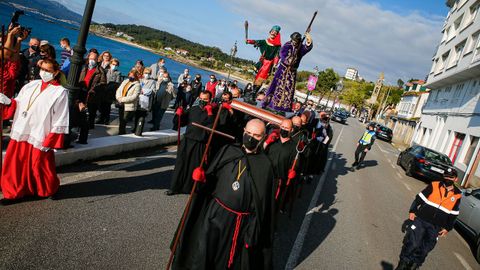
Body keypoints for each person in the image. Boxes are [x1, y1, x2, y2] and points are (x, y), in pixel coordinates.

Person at [171, 118, 275, 270]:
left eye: (257, 135)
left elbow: (263, 206)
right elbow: (209, 181)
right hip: (214, 213)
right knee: (203, 252)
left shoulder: (265, 166)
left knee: (226, 261)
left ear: (263, 137)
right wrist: (201, 178)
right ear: (243, 131)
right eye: (248, 133)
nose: (251, 137)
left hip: (239, 223)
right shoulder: (228, 151)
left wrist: (253, 230)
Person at [0, 59, 69, 201]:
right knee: (15, 163)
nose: (44, 73)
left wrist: (51, 139)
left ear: (56, 72)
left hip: (40, 133)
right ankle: (13, 192)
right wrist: (8, 101)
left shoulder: (60, 92)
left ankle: (48, 188)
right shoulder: (31, 85)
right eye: (42, 69)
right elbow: (19, 103)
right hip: (22, 129)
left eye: (48, 70)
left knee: (40, 165)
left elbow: (60, 117)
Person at [395, 170, 461, 270]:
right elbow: (419, 198)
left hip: (436, 226)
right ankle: (402, 264)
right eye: (446, 177)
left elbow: (454, 213)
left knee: (425, 250)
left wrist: (448, 228)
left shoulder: (457, 195)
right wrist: (412, 210)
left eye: (450, 177)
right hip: (421, 220)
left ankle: (414, 266)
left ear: (456, 179)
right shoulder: (434, 185)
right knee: (413, 244)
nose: (447, 179)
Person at [166, 91, 214, 195]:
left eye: (205, 99)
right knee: (180, 164)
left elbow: (212, 129)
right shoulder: (193, 109)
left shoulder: (212, 112)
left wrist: (210, 114)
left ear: (210, 99)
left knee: (195, 166)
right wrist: (179, 114)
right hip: (187, 140)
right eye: (201, 98)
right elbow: (182, 122)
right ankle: (174, 187)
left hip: (200, 143)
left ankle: (191, 189)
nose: (203, 101)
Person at [263, 32, 313, 112]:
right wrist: (288, 61)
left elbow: (307, 48)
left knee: (288, 90)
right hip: (282, 70)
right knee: (277, 87)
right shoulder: (287, 45)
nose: (294, 42)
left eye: (296, 41)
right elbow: (282, 54)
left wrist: (308, 38)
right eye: (293, 40)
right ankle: (270, 104)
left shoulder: (300, 47)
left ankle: (283, 108)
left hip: (291, 73)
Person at [264, 119, 297, 210]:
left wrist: (293, 172)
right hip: (265, 176)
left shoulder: (294, 148)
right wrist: (266, 142)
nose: (284, 129)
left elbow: (295, 165)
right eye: (282, 127)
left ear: (291, 130)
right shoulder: (273, 140)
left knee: (271, 205)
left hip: (278, 181)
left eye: (286, 128)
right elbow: (260, 154)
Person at [246, 25, 282, 93]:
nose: (273, 33)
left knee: (261, 80)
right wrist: (248, 41)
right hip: (261, 62)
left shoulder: (278, 46)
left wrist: (275, 64)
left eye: (275, 33)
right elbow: (256, 41)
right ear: (270, 32)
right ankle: (252, 91)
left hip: (268, 64)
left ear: (277, 35)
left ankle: (254, 92)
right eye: (272, 32)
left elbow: (277, 55)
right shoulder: (264, 41)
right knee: (255, 77)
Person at [79, 50, 107, 130]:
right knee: (80, 109)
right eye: (91, 58)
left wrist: (95, 89)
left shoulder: (100, 71)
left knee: (92, 112)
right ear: (88, 57)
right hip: (82, 91)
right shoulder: (84, 67)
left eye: (94, 59)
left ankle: (88, 127)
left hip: (93, 95)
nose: (92, 61)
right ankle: (80, 124)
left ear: (97, 59)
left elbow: (103, 83)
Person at [115, 69, 141, 135]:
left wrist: (122, 99)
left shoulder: (137, 85)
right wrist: (118, 97)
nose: (130, 77)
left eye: (132, 76)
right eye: (130, 75)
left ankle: (121, 133)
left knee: (124, 120)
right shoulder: (125, 81)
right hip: (121, 103)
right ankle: (121, 132)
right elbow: (119, 90)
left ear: (135, 76)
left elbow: (134, 96)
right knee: (121, 120)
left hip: (128, 105)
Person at [134, 67, 155, 136]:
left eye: (148, 73)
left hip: (146, 102)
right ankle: (135, 128)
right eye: (146, 73)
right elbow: (136, 88)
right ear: (143, 73)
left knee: (142, 116)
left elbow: (153, 91)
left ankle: (139, 130)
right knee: (136, 115)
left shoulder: (152, 82)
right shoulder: (140, 80)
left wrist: (145, 91)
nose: (147, 75)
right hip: (138, 100)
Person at [101, 58, 122, 124]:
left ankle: (106, 119)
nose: (114, 66)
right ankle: (101, 118)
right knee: (102, 105)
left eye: (116, 65)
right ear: (110, 64)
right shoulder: (106, 70)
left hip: (111, 92)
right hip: (103, 90)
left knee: (107, 106)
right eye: (113, 64)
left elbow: (117, 82)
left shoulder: (118, 73)